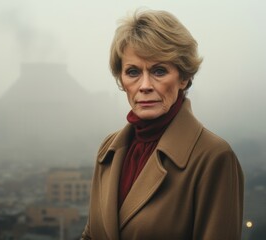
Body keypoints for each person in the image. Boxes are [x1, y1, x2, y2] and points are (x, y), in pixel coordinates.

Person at [81, 9, 244, 240]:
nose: (145, 85)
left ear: (184, 77)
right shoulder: (108, 150)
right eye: (133, 72)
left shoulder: (214, 157)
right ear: (121, 80)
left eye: (159, 71)